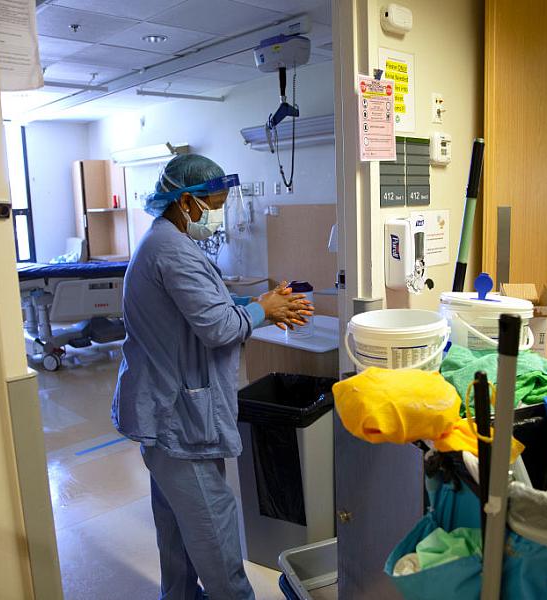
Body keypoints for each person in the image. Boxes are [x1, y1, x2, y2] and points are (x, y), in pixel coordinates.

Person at [112, 154, 313, 600]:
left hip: (167, 409)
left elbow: (210, 304)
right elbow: (218, 326)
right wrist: (264, 311)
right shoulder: (171, 250)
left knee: (176, 522)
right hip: (178, 415)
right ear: (185, 201)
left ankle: (182, 596)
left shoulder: (167, 242)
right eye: (211, 205)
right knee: (213, 526)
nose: (214, 215)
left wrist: (256, 301)